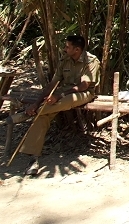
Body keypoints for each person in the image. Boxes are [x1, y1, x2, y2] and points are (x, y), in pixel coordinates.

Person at [18, 34, 101, 176]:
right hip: (63, 92)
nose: (64, 49)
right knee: (42, 116)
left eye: (67, 47)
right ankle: (33, 159)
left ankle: (26, 114)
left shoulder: (91, 60)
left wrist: (59, 96)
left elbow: (83, 86)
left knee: (68, 100)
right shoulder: (65, 60)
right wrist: (38, 102)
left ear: (77, 49)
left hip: (83, 93)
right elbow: (53, 83)